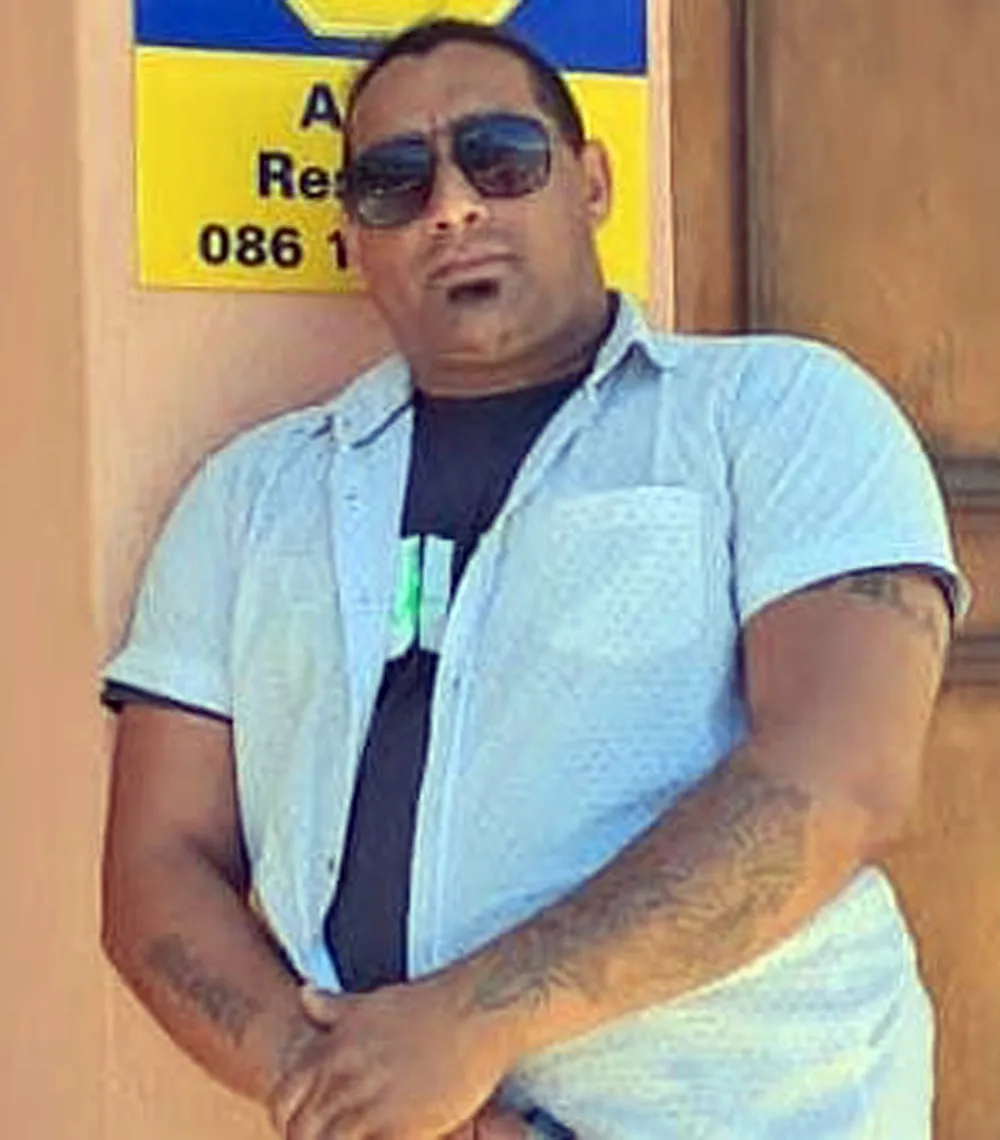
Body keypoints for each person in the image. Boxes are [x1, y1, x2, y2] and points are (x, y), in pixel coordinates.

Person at [100, 17, 966, 1140]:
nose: (452, 206)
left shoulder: (777, 415)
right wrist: (357, 1092)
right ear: (354, 237)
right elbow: (158, 864)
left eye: (499, 156)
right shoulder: (249, 500)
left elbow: (838, 774)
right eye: (395, 181)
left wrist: (472, 1025)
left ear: (591, 182)